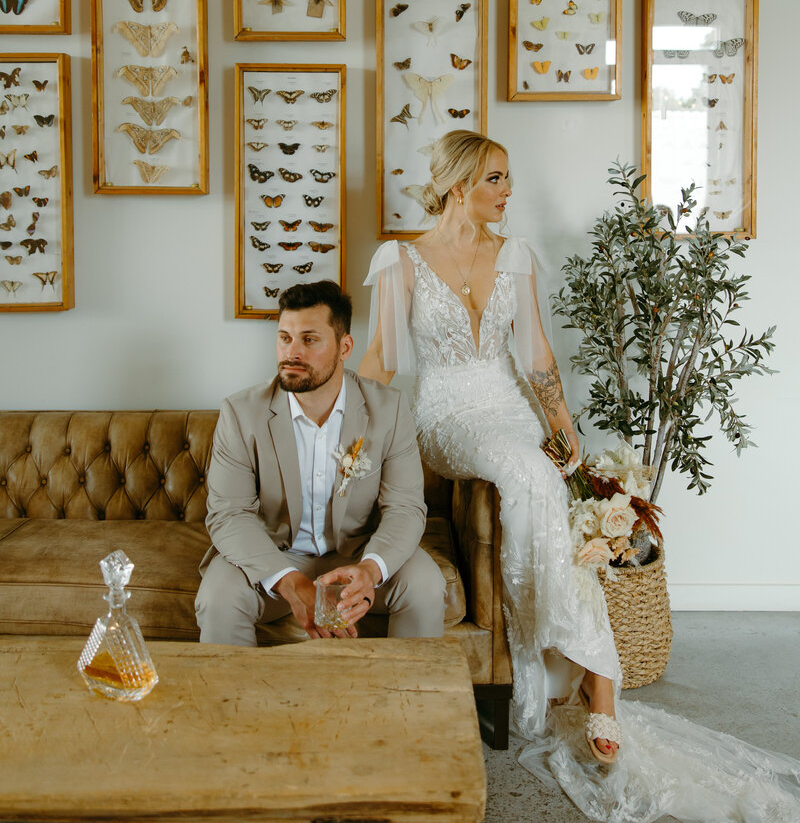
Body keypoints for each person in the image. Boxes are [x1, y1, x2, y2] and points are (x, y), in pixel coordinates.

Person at [360, 131, 800, 823]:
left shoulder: (515, 256)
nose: (509, 191)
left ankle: (589, 674)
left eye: (509, 177)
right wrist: (351, 436)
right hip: (447, 417)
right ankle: (597, 677)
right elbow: (381, 360)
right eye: (496, 178)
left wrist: (568, 439)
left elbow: (536, 357)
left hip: (511, 410)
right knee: (528, 472)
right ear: (458, 186)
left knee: (549, 485)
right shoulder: (401, 261)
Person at [196, 279, 446, 646]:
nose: (292, 352)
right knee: (218, 597)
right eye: (285, 338)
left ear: (345, 347)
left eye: (309, 340)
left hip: (357, 554)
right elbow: (228, 514)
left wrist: (370, 569)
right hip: (273, 555)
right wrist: (290, 582)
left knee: (426, 584)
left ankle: (406, 686)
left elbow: (405, 507)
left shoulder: (389, 409)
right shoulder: (240, 412)